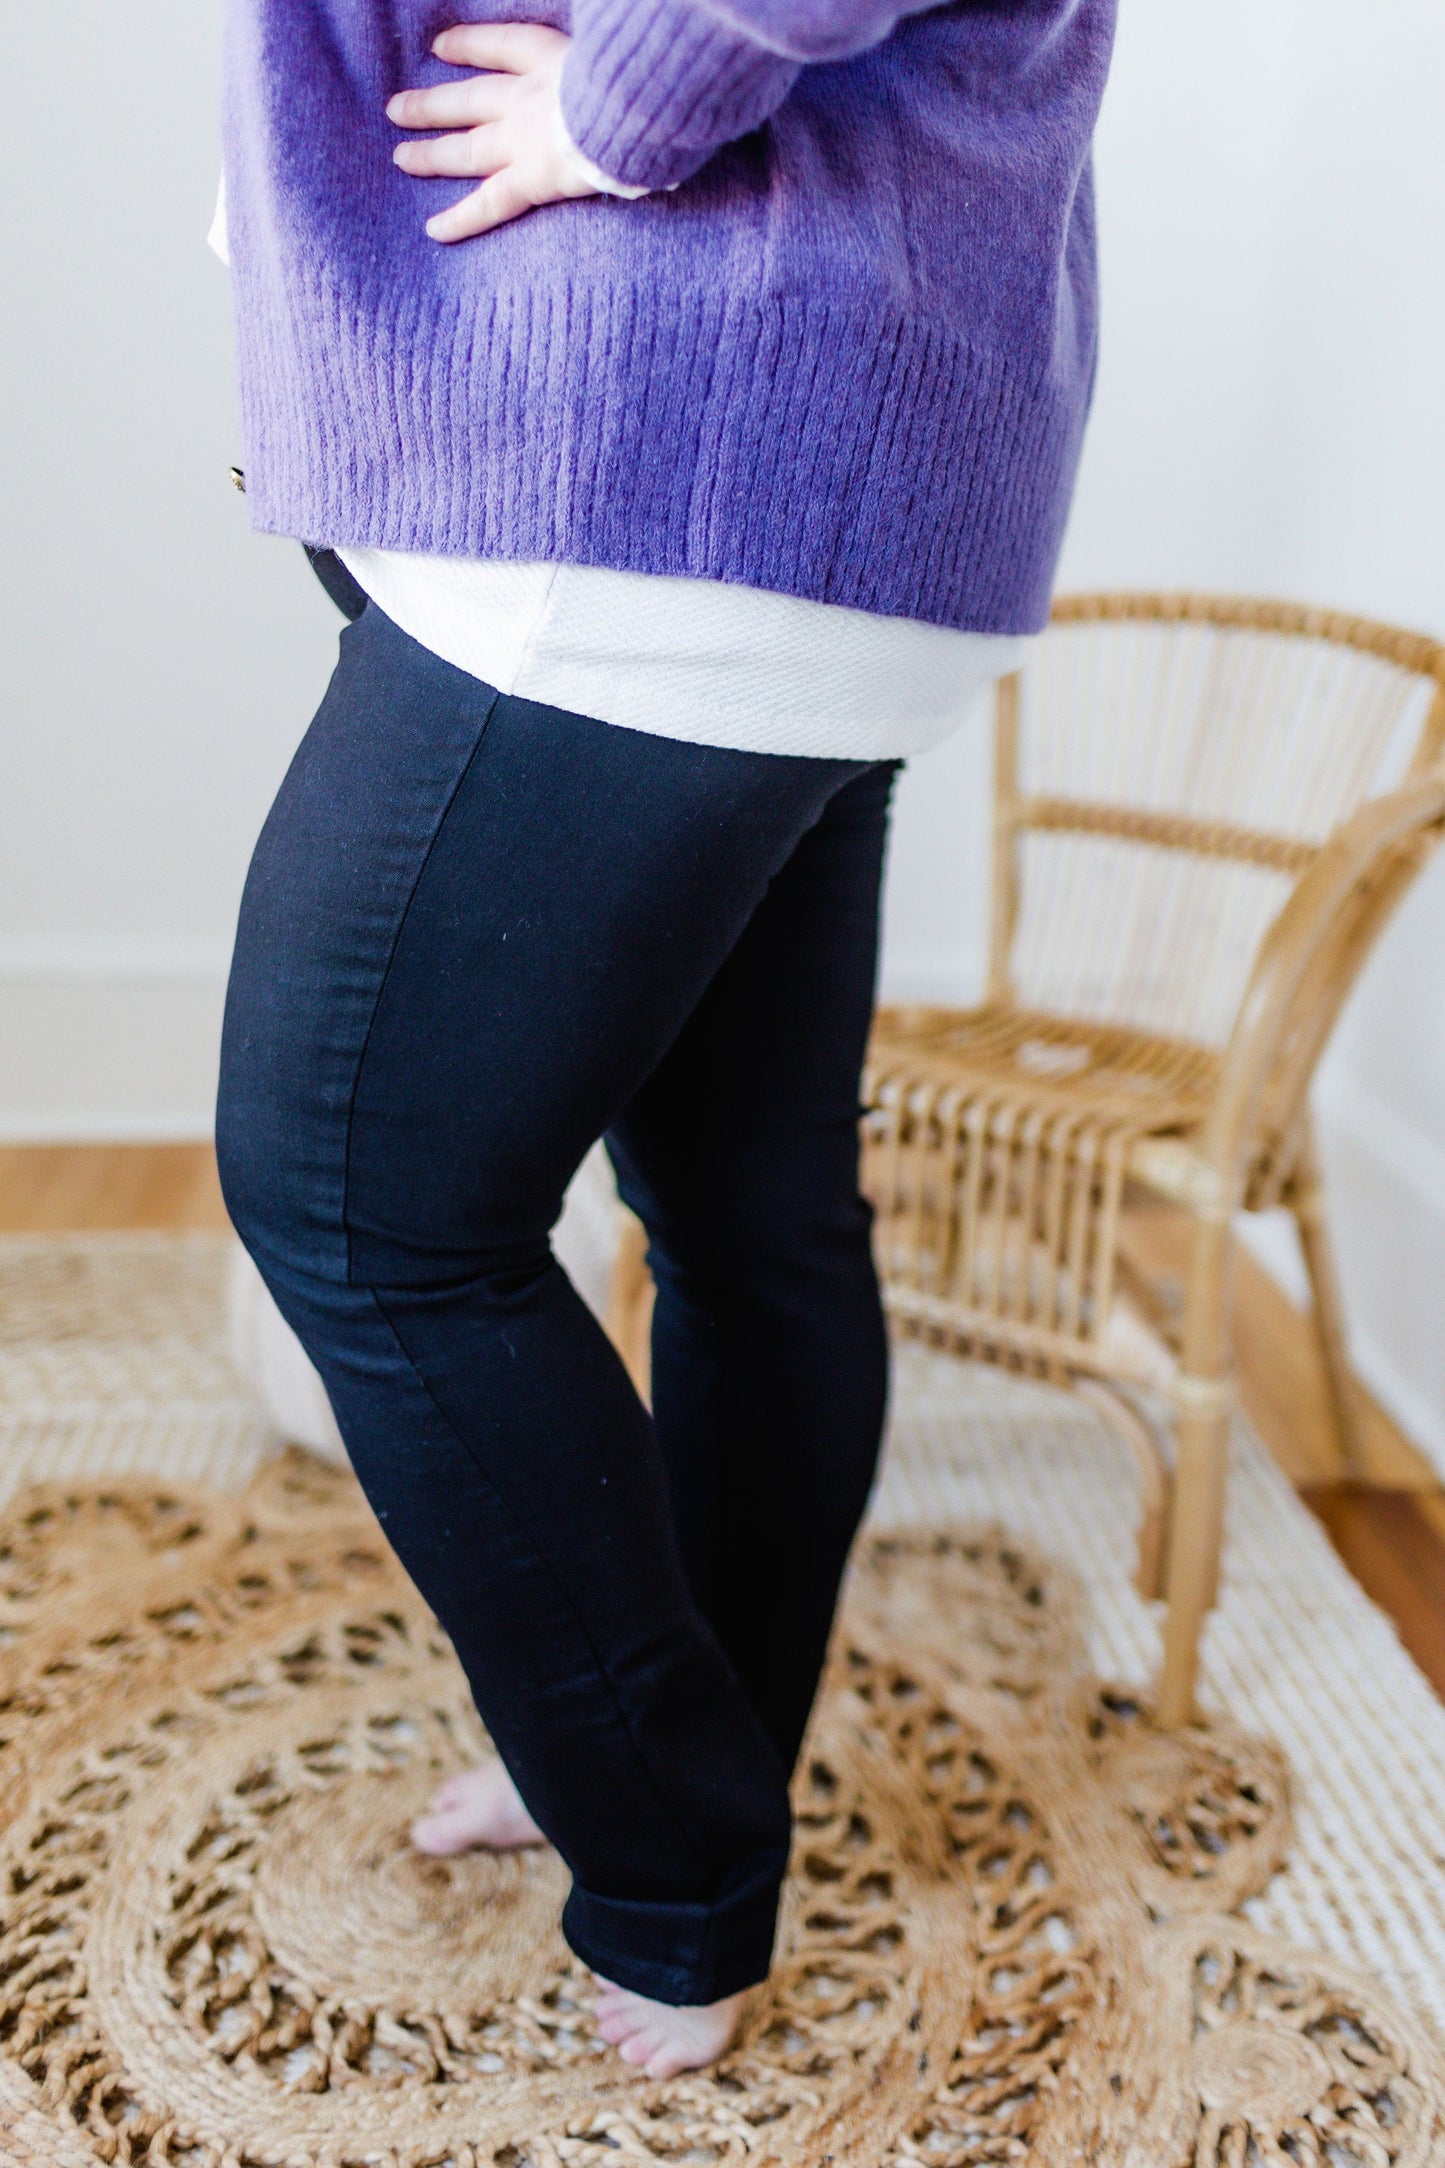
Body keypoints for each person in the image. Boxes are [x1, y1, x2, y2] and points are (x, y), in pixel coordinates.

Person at [214, 0, 1115, 2081]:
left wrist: (628, 105)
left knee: (357, 1203)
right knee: (750, 1213)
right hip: (811, 458)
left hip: (664, 451)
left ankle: (677, 1845)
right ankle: (677, 1746)